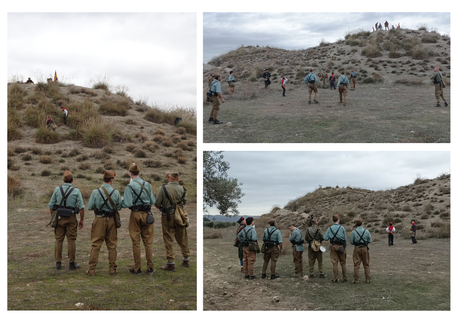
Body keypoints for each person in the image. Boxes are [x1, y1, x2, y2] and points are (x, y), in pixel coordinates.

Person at [121, 163, 156, 275]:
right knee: (148, 242)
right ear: (139, 172)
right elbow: (153, 201)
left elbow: (127, 204)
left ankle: (137, 268)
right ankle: (150, 267)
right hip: (147, 215)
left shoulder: (129, 187)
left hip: (135, 214)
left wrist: (122, 199)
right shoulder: (148, 185)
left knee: (136, 242)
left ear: (130, 173)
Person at [86, 171, 122, 276]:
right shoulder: (115, 192)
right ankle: (112, 269)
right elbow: (119, 207)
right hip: (111, 220)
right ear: (111, 180)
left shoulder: (95, 192)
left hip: (99, 219)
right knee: (112, 245)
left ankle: (92, 270)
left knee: (96, 244)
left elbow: (90, 207)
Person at [48, 170, 85, 270]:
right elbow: (81, 208)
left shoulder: (57, 189)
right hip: (71, 218)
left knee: (58, 240)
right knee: (71, 241)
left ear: (63, 180)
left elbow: (51, 205)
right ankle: (71, 263)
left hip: (59, 217)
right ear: (72, 180)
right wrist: (81, 220)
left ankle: (58, 263)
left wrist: (53, 217)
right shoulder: (76, 191)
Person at [154, 170, 190, 271]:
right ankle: (186, 259)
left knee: (168, 239)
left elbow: (157, 203)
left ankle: (171, 263)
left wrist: (163, 207)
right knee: (183, 238)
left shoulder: (163, 188)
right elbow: (184, 202)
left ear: (169, 177)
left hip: (167, 217)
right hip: (180, 216)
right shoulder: (182, 188)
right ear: (177, 179)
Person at [323, 214, 347, 282]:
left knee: (334, 263)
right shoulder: (342, 228)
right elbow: (345, 239)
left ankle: (336, 278)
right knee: (343, 262)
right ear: (338, 219)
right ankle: (345, 277)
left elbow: (325, 238)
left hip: (333, 246)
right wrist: (344, 247)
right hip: (341, 246)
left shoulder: (330, 228)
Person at [350, 218, 372, 283]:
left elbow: (351, 241)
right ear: (362, 224)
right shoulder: (366, 231)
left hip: (357, 248)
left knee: (356, 265)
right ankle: (367, 279)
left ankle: (356, 280)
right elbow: (370, 240)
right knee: (366, 264)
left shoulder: (354, 232)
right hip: (365, 248)